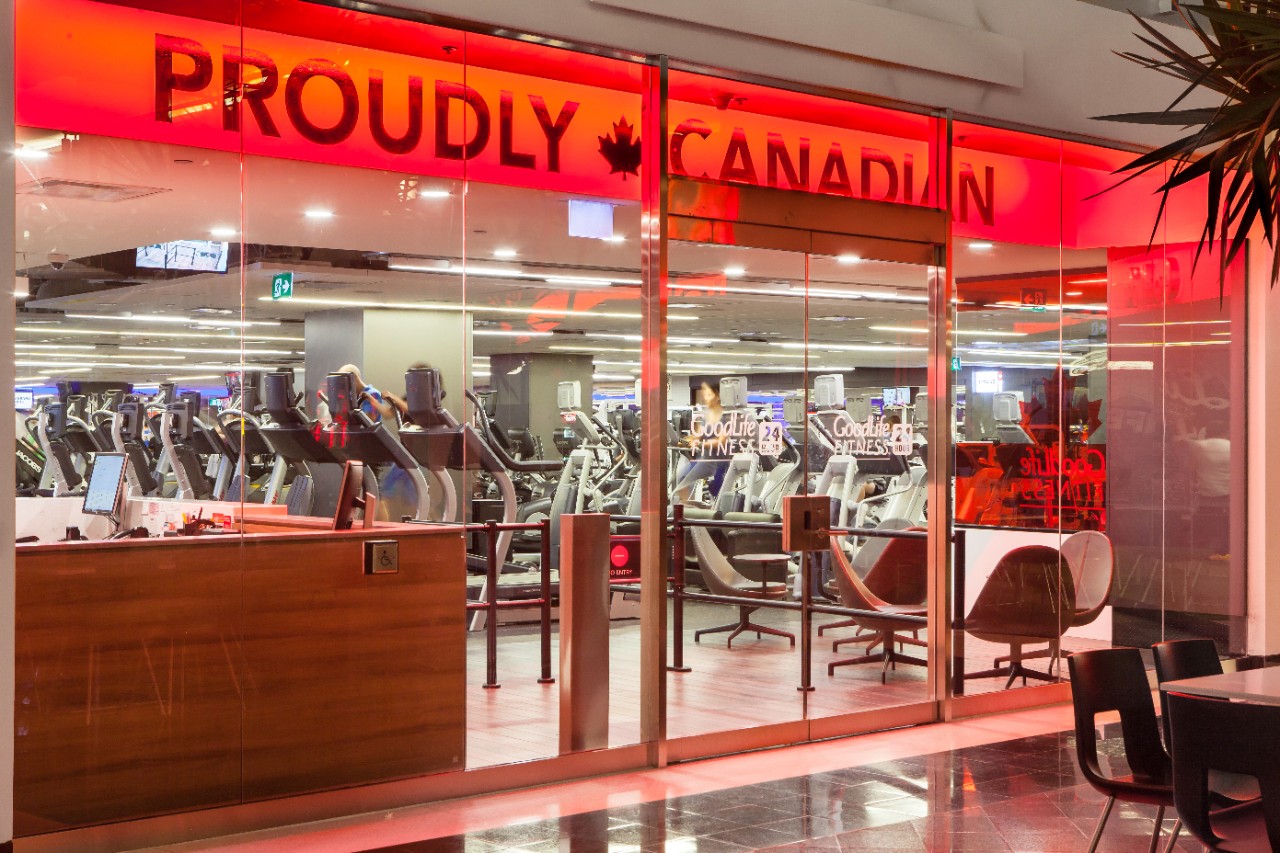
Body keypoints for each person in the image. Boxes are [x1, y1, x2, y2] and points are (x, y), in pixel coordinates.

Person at [674, 380, 730, 503]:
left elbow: (721, 440)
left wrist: (701, 444)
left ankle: (714, 509)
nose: (705, 398)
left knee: (716, 489)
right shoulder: (706, 417)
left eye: (709, 395)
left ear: (718, 396)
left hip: (717, 461)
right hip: (703, 458)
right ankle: (686, 509)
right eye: (704, 395)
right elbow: (697, 436)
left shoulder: (725, 417)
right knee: (681, 476)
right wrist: (682, 440)